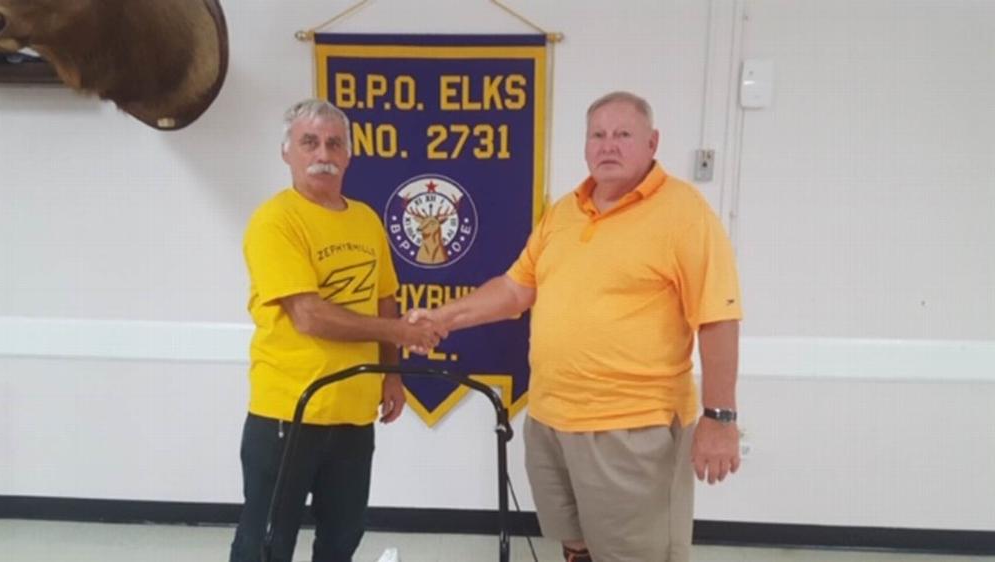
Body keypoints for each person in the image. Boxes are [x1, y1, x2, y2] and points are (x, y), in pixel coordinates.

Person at [408, 91, 743, 562]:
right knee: (575, 544)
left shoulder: (684, 213)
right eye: (598, 135)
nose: (609, 146)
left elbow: (717, 317)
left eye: (623, 134)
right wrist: (442, 318)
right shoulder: (564, 212)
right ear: (585, 146)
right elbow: (514, 289)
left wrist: (720, 417)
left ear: (652, 142)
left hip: (631, 428)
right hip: (549, 420)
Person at [230, 99, 445, 562]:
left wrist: (392, 373)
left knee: (342, 538)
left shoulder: (366, 219)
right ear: (287, 153)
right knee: (265, 541)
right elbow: (308, 315)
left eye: (334, 143)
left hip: (353, 414)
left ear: (349, 154)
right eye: (309, 142)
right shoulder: (276, 221)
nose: (322, 152)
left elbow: (385, 298)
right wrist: (400, 332)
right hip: (289, 412)